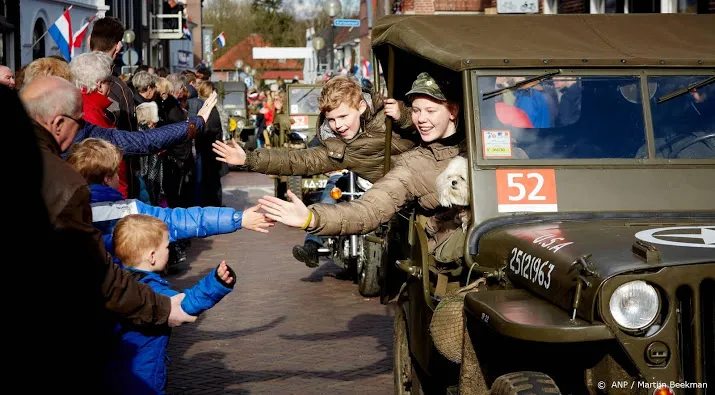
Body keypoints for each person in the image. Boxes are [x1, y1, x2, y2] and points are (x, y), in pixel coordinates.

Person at [20, 77, 197, 391]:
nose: (83, 127)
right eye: (79, 122)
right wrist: (163, 307)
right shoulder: (62, 181)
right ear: (58, 123)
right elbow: (96, 274)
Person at [257, 72, 468, 264]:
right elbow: (369, 209)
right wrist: (312, 218)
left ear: (453, 111)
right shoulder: (412, 164)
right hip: (452, 261)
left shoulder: (482, 146)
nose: (421, 119)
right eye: (416, 111)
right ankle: (314, 243)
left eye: (430, 110)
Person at [212, 75, 417, 267]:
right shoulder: (337, 146)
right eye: (332, 120)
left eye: (343, 116)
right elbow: (297, 160)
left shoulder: (388, 118)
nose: (339, 125)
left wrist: (404, 116)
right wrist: (247, 158)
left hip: (421, 189)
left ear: (362, 106)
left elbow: (428, 126)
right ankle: (314, 243)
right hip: (390, 197)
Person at [66, 138, 273, 256]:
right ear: (108, 178)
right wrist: (238, 219)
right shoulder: (130, 211)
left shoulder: (60, 210)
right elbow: (183, 221)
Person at [104, 214, 236, 394]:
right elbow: (184, 306)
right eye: (166, 246)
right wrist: (216, 283)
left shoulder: (116, 283)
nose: (169, 250)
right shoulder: (150, 290)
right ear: (152, 256)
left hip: (113, 373)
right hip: (144, 377)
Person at [90, 16, 137, 132]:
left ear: (90, 41)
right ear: (118, 46)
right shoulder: (119, 89)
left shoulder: (69, 79)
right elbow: (130, 139)